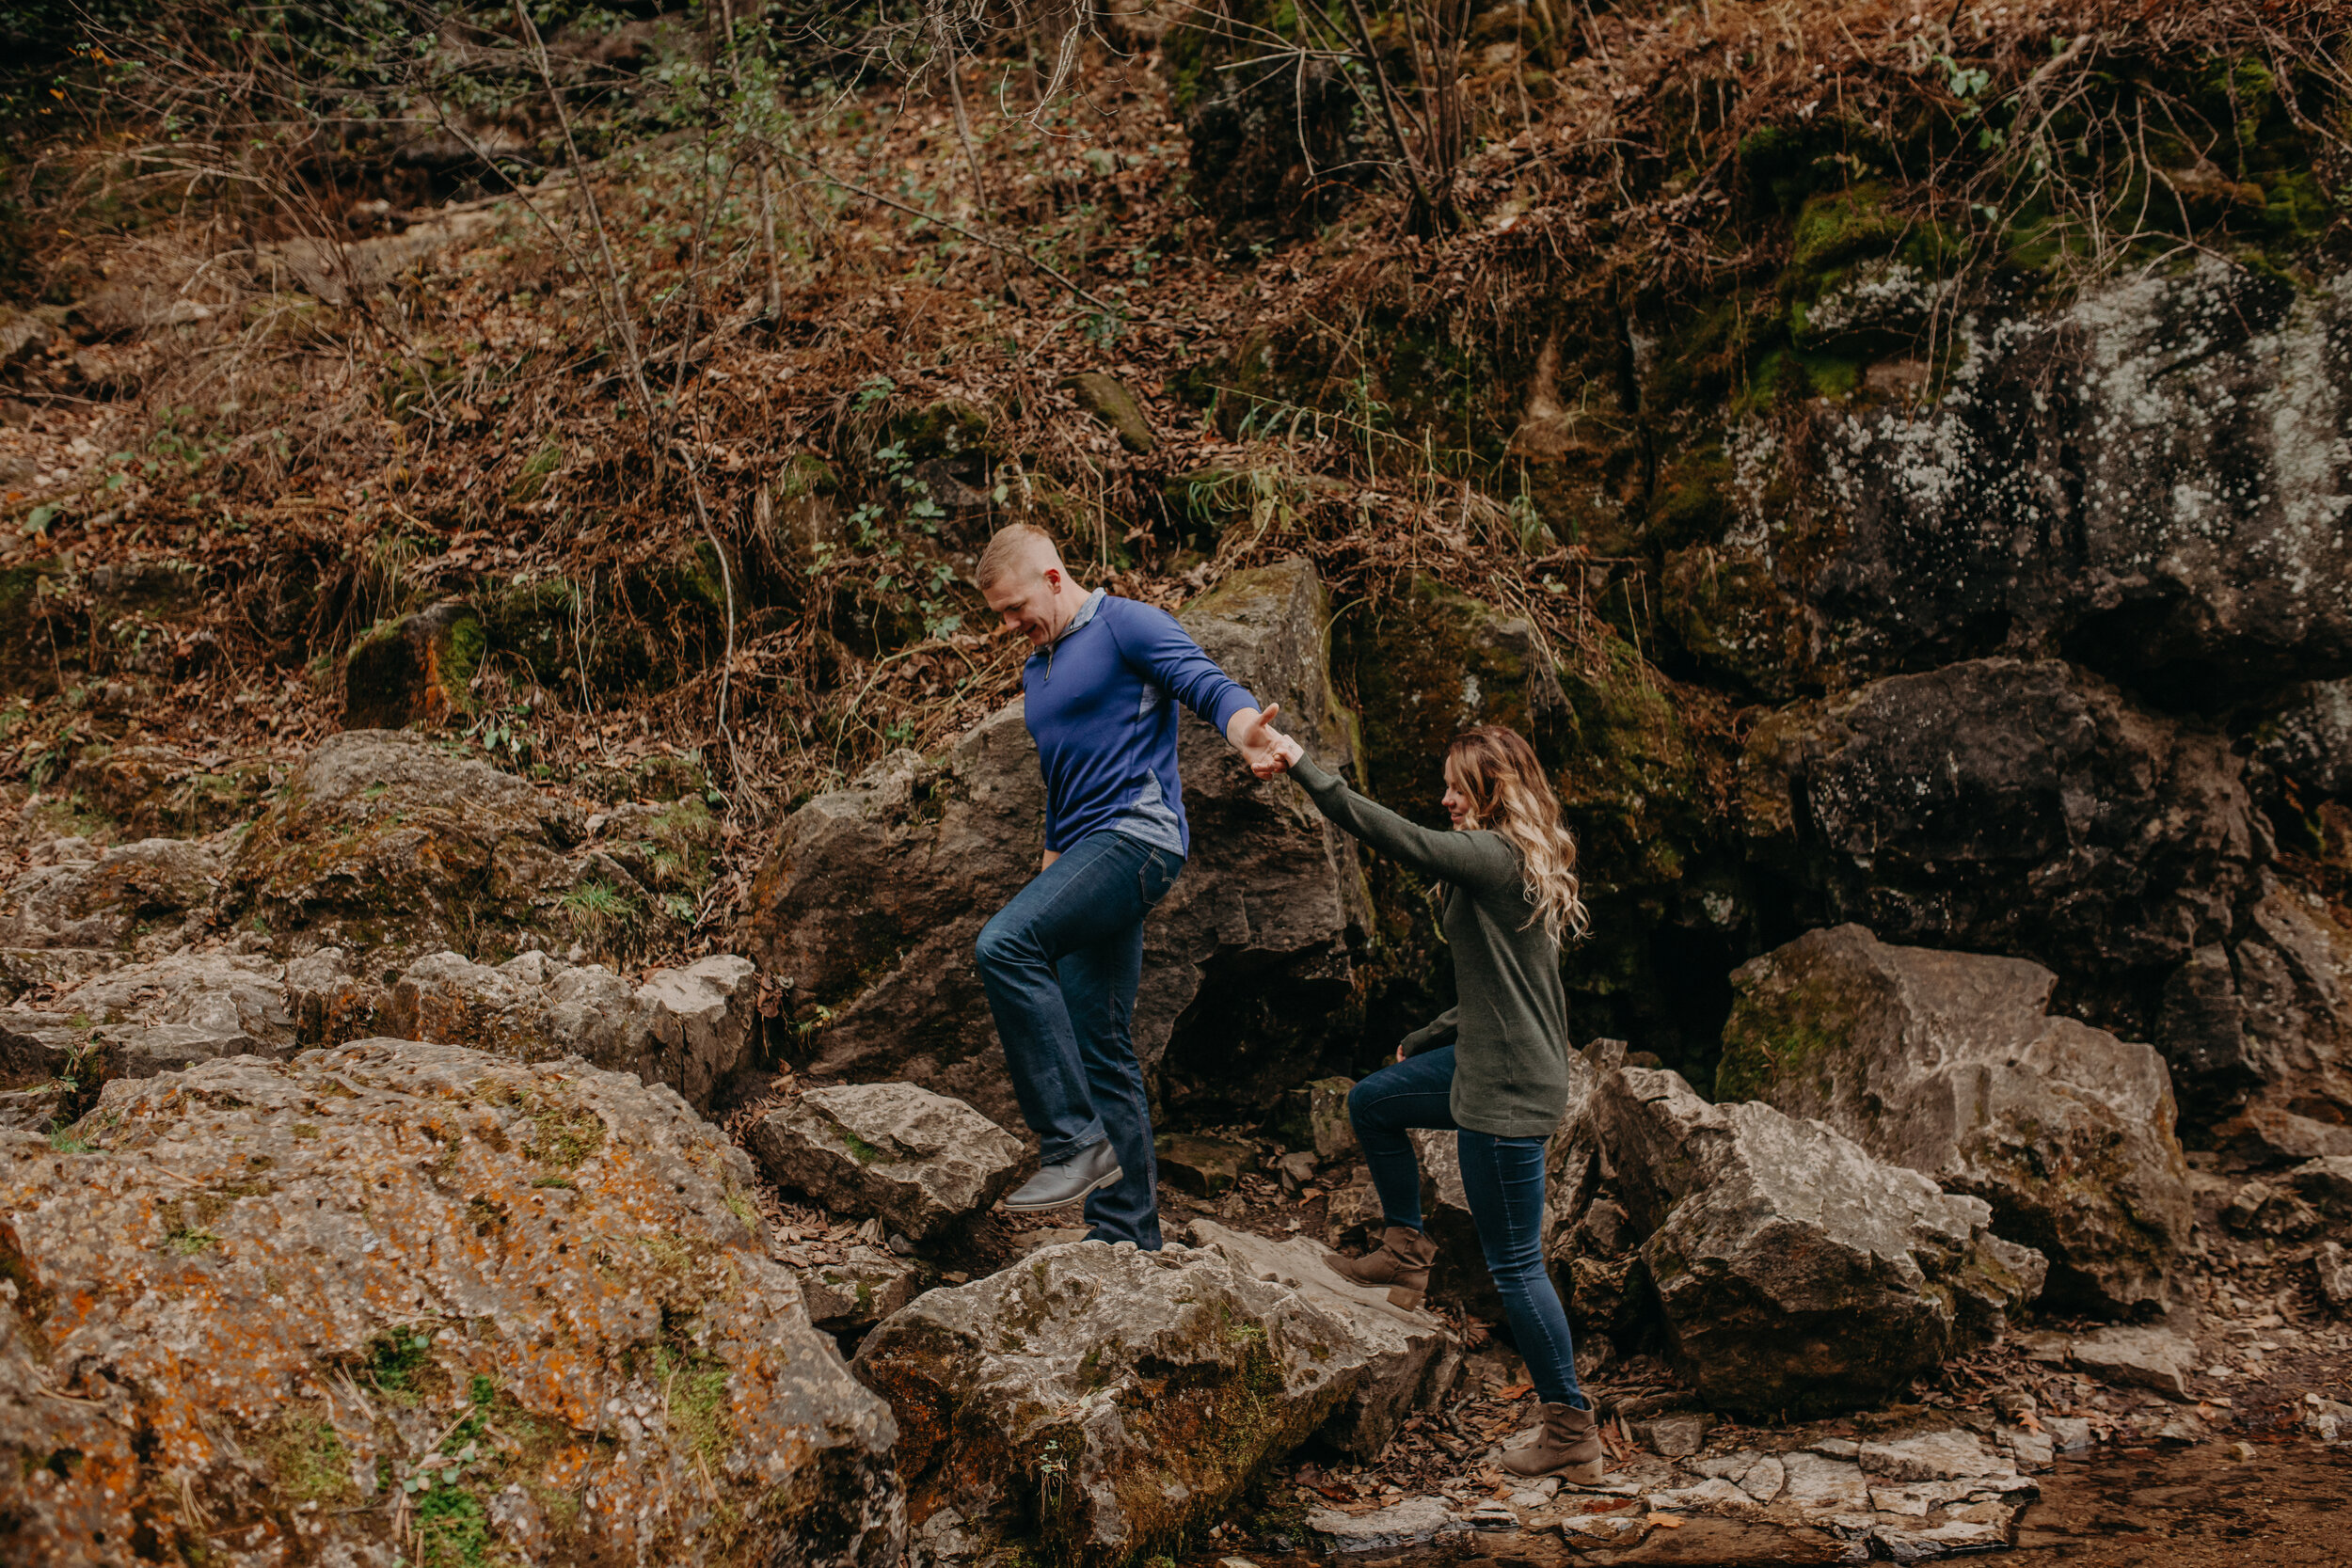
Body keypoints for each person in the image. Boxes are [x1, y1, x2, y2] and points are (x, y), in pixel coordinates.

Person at [1264, 721, 1605, 1483]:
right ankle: (1405, 1251)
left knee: (1516, 1265)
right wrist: (1429, 1033)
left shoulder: (1491, 854)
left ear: (1491, 793)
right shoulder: (1515, 861)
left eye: (1458, 785)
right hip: (1491, 1056)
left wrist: (1301, 767)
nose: (1446, 797)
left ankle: (1571, 1428)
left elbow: (1402, 839)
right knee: (1375, 1102)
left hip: (1506, 1089)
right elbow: (1515, 984)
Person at [974, 524, 1290, 1249]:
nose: (1010, 626)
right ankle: (1127, 1231)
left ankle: (1073, 1142)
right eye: (999, 616)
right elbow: (1061, 782)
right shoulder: (1037, 671)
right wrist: (1051, 875)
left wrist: (1248, 733)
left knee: (1001, 944)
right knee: (1099, 1040)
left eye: (1016, 607)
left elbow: (1203, 682)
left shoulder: (1126, 624)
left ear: (1054, 578)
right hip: (1084, 854)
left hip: (1138, 837)